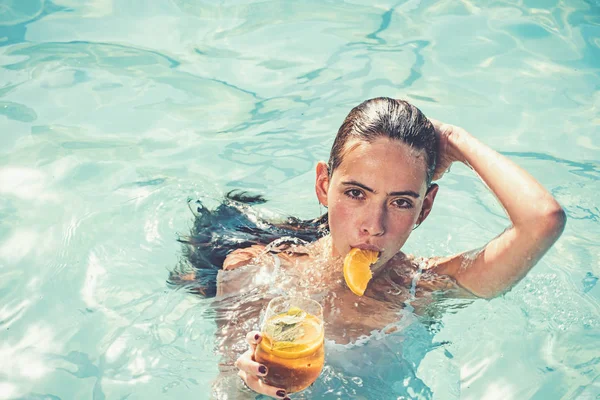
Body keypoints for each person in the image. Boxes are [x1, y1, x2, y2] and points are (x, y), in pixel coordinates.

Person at [171, 97, 566, 399]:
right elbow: (225, 388)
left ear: (425, 208)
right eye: (356, 193)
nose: (373, 227)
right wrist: (246, 384)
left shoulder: (425, 290)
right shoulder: (255, 272)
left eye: (401, 202)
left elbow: (542, 220)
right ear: (324, 186)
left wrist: (455, 141)